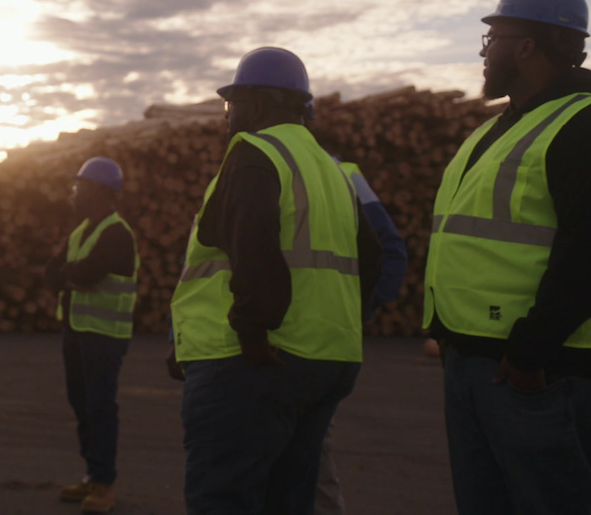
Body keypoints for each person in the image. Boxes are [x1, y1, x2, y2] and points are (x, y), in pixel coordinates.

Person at [424, 0, 591, 515]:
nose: (485, 53)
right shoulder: (499, 130)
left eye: (492, 40)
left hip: (550, 370)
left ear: (526, 46)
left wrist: (532, 349)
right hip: (485, 362)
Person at [168, 46, 381, 515]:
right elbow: (374, 257)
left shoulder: (253, 152)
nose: (227, 116)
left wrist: (251, 331)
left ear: (259, 105)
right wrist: (341, 323)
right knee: (290, 498)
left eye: (232, 103)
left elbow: (253, 248)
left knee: (222, 496)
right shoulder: (331, 169)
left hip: (252, 364)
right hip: (327, 361)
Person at [46, 157, 140, 515]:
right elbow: (52, 274)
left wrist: (71, 273)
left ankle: (104, 484)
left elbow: (86, 274)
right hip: (77, 331)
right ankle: (91, 474)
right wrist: (72, 273)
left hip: (104, 336)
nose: (73, 194)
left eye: (79, 187)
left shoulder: (116, 233)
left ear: (99, 191)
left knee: (100, 407)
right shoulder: (83, 231)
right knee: (81, 404)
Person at [316, 159, 409, 515]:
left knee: (307, 463)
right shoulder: (344, 171)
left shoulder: (341, 173)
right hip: (316, 344)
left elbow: (390, 251)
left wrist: (357, 311)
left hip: (307, 345)